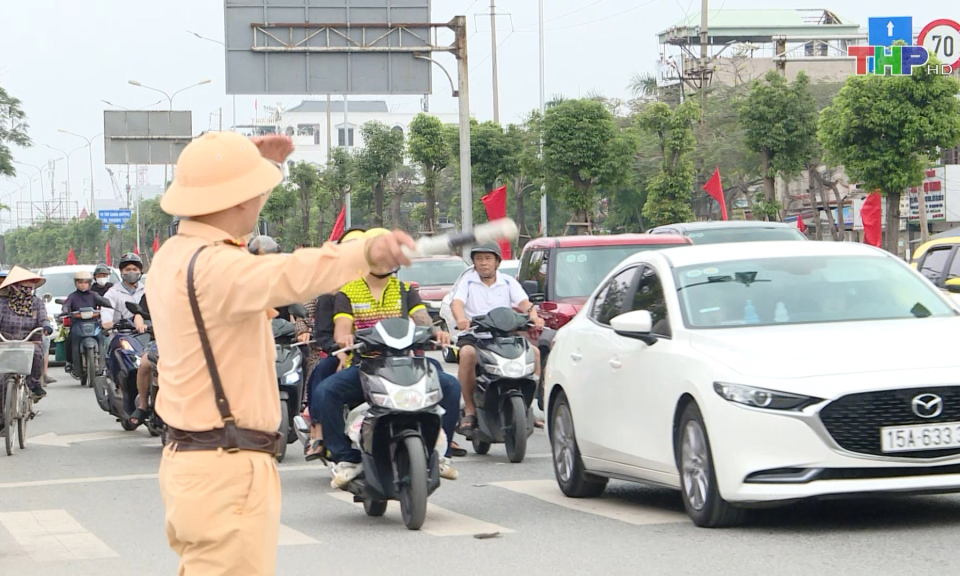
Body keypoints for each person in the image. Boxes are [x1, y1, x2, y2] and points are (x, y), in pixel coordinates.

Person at [147, 130, 414, 576]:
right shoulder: (215, 267)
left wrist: (263, 172)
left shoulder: (176, 255)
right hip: (226, 466)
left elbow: (235, 217)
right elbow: (288, 272)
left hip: (203, 462)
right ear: (238, 197)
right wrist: (363, 250)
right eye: (253, 189)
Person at [312, 228, 462, 487]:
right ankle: (345, 459)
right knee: (326, 392)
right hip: (366, 366)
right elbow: (342, 328)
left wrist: (437, 332)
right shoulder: (348, 292)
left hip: (406, 365)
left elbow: (422, 318)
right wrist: (345, 338)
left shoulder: (406, 290)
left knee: (451, 385)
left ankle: (441, 454)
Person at [451, 243, 544, 432]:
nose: (483, 263)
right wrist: (461, 319)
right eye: (479, 259)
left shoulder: (508, 282)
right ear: (474, 263)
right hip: (475, 335)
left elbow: (525, 303)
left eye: (488, 259)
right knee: (467, 354)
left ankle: (527, 408)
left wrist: (534, 315)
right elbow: (457, 303)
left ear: (497, 262)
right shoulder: (467, 282)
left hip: (504, 335)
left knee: (533, 353)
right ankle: (470, 409)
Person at [303, 227, 367, 461]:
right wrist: (341, 350)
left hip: (383, 356)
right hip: (344, 355)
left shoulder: (391, 286)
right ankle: (319, 434)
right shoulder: (330, 292)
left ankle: (439, 438)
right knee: (322, 372)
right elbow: (324, 334)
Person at [0, 267, 54, 400]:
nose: (27, 292)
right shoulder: (2, 303)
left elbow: (43, 318)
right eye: (24, 288)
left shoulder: (37, 303)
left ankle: (34, 385)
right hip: (5, 342)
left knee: (37, 354)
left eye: (30, 288)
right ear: (14, 288)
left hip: (30, 341)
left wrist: (46, 325)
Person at [61, 270, 103, 376]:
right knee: (69, 340)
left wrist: (107, 307)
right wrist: (65, 310)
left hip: (93, 323)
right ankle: (70, 362)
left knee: (103, 339)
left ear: (89, 283)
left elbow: (102, 302)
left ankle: (104, 360)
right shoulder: (73, 296)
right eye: (80, 282)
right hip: (77, 324)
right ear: (76, 283)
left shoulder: (94, 295)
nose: (83, 285)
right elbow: (66, 305)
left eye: (85, 282)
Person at [102, 253, 147, 333]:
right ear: (122, 272)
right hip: (120, 335)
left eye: (134, 269)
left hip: (144, 335)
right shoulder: (112, 292)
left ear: (140, 271)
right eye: (128, 269)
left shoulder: (146, 291)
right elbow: (106, 310)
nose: (131, 272)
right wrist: (107, 322)